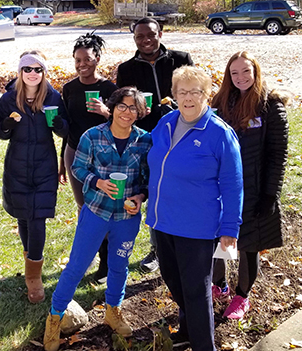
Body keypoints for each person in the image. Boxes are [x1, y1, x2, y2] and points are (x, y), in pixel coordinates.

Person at [43, 86, 151, 351]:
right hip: (96, 213)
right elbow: (78, 167)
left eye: (133, 108)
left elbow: (148, 179)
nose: (127, 112)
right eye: (122, 106)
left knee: (119, 265)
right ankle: (55, 318)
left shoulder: (145, 141)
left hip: (127, 217)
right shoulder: (93, 136)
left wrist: (141, 197)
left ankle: (113, 311)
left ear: (139, 113)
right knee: (77, 266)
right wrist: (98, 182)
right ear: (112, 108)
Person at [146, 66, 243, 351]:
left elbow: (233, 184)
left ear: (207, 94)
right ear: (174, 95)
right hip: (162, 221)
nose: (188, 98)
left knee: (196, 291)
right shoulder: (165, 123)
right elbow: (153, 162)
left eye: (195, 92)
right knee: (173, 280)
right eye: (182, 92)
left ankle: (204, 346)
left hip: (197, 226)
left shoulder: (219, 134)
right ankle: (188, 330)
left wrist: (229, 228)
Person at [211, 51, 289, 319]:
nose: (240, 77)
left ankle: (242, 295)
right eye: (234, 73)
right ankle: (218, 285)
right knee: (220, 238)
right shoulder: (222, 103)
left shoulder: (270, 107)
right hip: (223, 186)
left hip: (255, 189)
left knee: (248, 244)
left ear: (255, 72)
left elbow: (278, 154)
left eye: (246, 71)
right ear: (228, 76)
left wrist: (271, 194)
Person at [116, 17, 194, 272]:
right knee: (154, 191)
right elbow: (123, 107)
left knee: (183, 190)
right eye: (140, 37)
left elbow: (196, 91)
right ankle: (158, 250)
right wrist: (140, 111)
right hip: (149, 139)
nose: (146, 40)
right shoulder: (127, 69)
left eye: (150, 35)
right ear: (134, 39)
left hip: (183, 135)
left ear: (160, 33)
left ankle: (186, 242)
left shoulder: (180, 59)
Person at [0, 51, 69, 304]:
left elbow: (65, 132)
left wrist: (58, 124)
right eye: (27, 68)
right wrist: (7, 124)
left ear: (44, 72)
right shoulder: (8, 99)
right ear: (20, 71)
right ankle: (31, 259)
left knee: (38, 218)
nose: (33, 73)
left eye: (38, 69)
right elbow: (0, 134)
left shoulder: (53, 96)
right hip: (16, 165)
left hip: (44, 165)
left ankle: (34, 277)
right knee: (24, 216)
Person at [59, 32, 118, 284]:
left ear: (97, 59)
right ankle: (87, 257)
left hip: (102, 158)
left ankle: (106, 264)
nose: (82, 65)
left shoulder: (110, 89)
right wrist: (63, 160)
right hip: (75, 155)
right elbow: (69, 127)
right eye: (77, 60)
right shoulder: (69, 89)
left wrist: (107, 112)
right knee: (84, 210)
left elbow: (122, 125)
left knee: (103, 212)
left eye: (87, 60)